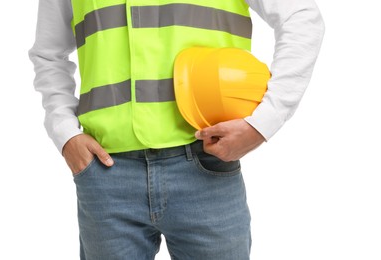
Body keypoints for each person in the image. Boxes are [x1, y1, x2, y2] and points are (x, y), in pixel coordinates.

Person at [29, 0, 324, 259]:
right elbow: (48, 54)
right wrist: (66, 133)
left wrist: (262, 124)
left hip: (206, 168)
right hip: (106, 174)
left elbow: (300, 16)